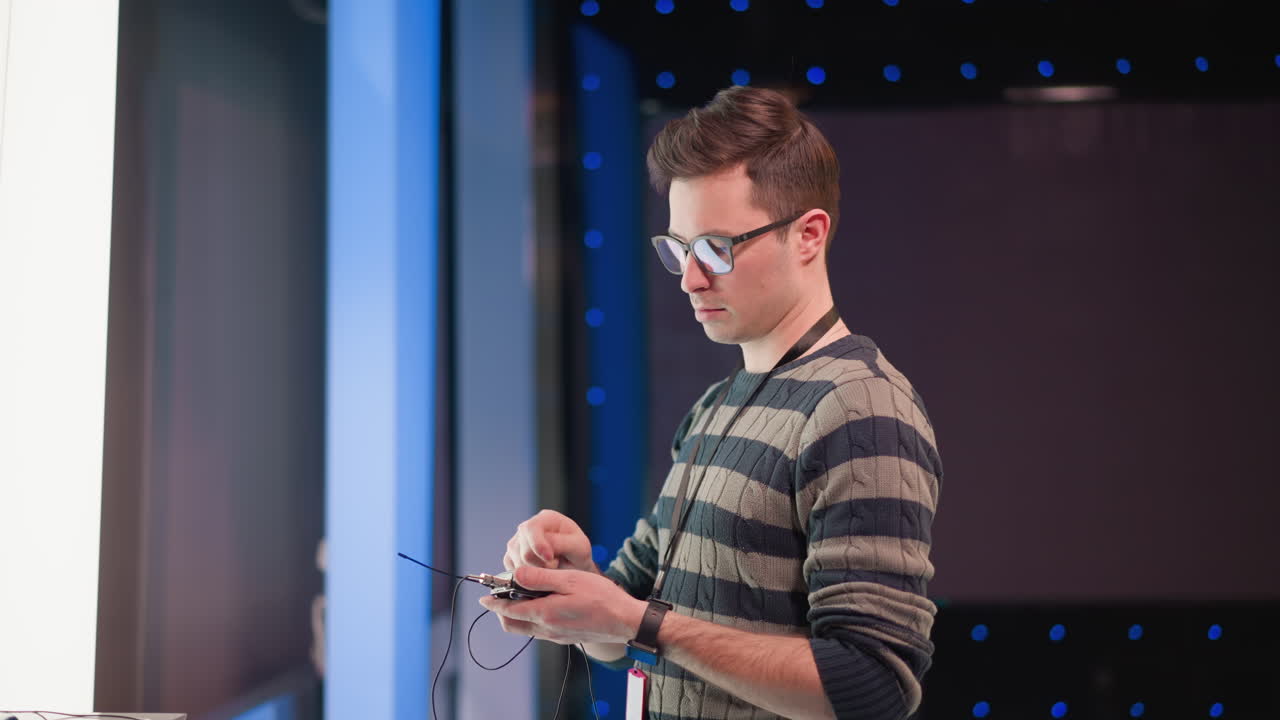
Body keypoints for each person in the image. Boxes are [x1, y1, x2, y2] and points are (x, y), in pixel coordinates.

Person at [479, 86, 942, 720]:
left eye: (716, 248)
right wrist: (580, 582)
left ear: (808, 235)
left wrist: (645, 623)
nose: (692, 278)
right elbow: (625, 627)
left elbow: (869, 687)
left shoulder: (860, 410)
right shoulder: (717, 403)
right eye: (679, 249)